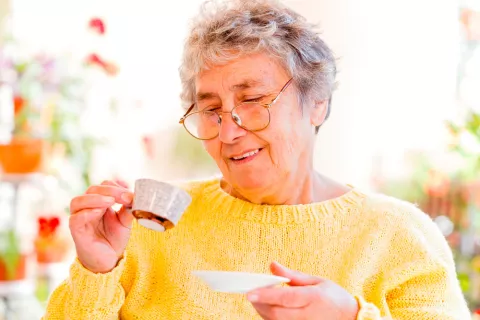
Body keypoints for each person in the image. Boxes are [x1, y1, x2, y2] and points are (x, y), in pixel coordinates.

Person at [42, 0, 470, 319]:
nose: (229, 132)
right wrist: (96, 269)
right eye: (211, 110)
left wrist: (353, 317)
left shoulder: (399, 236)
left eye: (253, 101)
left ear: (317, 103)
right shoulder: (148, 227)